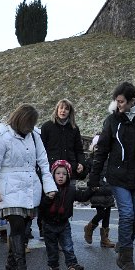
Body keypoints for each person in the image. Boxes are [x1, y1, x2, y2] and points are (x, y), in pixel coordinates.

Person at [88, 81, 135, 270]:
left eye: (121, 102)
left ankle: (124, 242)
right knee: (127, 215)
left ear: (132, 101)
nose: (117, 105)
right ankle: (126, 260)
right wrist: (94, 176)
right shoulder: (112, 121)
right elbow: (102, 149)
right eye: (116, 102)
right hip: (118, 175)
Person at [0, 104, 57, 270]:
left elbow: (44, 163)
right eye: (28, 123)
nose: (30, 127)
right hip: (8, 188)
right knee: (16, 225)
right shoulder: (0, 137)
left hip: (30, 187)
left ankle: (11, 263)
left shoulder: (34, 136)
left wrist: (49, 186)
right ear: (19, 119)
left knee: (24, 229)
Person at [39, 99, 86, 241]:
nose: (63, 111)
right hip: (51, 170)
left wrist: (81, 163)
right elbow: (42, 148)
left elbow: (79, 149)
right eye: (61, 108)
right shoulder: (47, 126)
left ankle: (62, 230)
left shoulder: (74, 128)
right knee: (49, 198)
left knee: (66, 200)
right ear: (56, 109)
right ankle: (44, 227)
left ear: (70, 112)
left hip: (68, 169)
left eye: (66, 109)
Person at [39, 160, 92, 270]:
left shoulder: (71, 189)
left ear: (68, 176)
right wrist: (48, 198)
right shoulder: (47, 188)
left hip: (63, 223)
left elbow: (82, 197)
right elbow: (41, 206)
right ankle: (54, 266)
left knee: (68, 246)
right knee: (52, 248)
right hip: (48, 223)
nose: (61, 176)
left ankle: (72, 265)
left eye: (64, 173)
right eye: (58, 173)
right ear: (53, 174)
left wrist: (91, 189)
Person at [83, 134, 115, 248]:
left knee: (107, 215)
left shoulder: (109, 160)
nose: (98, 149)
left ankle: (104, 239)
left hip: (108, 190)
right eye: (96, 146)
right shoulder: (90, 160)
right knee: (101, 213)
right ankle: (90, 227)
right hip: (96, 190)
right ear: (93, 147)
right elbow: (84, 173)